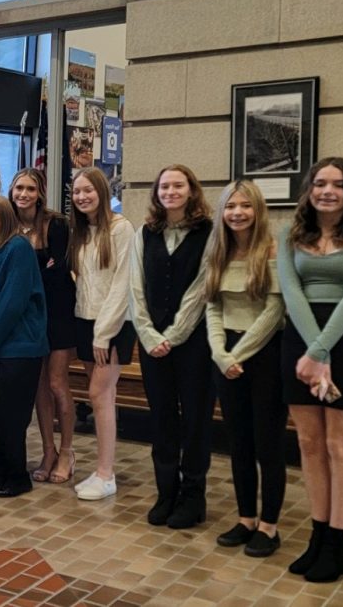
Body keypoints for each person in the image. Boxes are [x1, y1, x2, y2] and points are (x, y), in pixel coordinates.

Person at [278, 157, 343, 583]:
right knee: (308, 442)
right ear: (309, 189)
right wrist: (310, 352)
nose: (327, 191)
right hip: (299, 343)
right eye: (320, 183)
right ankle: (318, 535)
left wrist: (320, 352)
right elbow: (291, 292)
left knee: (340, 444)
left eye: (337, 185)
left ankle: (340, 541)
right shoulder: (290, 233)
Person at [129, 164, 214, 529]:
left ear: (191, 190)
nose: (171, 191)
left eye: (178, 185)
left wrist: (175, 334)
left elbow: (203, 286)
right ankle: (166, 492)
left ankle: (193, 497)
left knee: (195, 420)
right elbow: (135, 285)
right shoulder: (144, 233)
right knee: (162, 418)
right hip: (152, 344)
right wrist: (147, 334)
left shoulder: (209, 233)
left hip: (194, 342)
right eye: (164, 185)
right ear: (156, 192)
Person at [205, 180, 287, 557]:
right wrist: (221, 353)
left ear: (257, 210)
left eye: (245, 206)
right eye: (230, 206)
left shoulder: (272, 250)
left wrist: (239, 354)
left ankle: (269, 526)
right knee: (238, 442)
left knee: (267, 444)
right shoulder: (219, 251)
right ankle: (246, 519)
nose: (237, 213)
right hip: (228, 357)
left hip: (266, 355)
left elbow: (274, 311)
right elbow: (213, 307)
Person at [0, 195, 48, 498]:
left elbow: (10, 306)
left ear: (6, 219)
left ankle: (17, 477)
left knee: (10, 416)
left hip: (19, 348)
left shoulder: (18, 248)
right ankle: (2, 472)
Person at [68, 166, 135, 501]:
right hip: (85, 320)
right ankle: (102, 469)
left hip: (113, 326)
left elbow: (122, 286)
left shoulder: (122, 229)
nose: (82, 197)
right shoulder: (81, 231)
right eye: (77, 192)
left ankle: (106, 474)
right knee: (104, 397)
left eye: (88, 190)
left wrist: (103, 334)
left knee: (98, 394)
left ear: (102, 191)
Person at [7, 168, 77, 485]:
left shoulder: (56, 225)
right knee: (38, 388)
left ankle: (66, 451)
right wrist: (39, 271)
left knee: (56, 383)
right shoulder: (8, 226)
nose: (24, 194)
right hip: (28, 318)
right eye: (19, 188)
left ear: (40, 193)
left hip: (58, 314)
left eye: (30, 189)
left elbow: (59, 271)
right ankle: (47, 450)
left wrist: (34, 274)